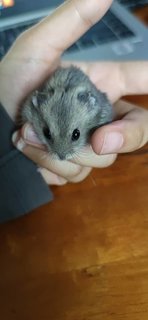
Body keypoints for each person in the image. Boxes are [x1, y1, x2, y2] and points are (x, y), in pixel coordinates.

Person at [0, 0, 148, 222]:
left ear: (90, 103)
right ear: (38, 104)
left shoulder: (92, 105)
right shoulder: (37, 104)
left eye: (75, 135)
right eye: (48, 134)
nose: (61, 153)